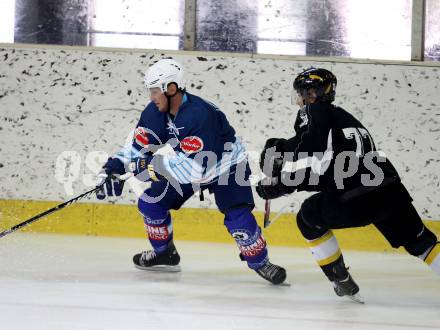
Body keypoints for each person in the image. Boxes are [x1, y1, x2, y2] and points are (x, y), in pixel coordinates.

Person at [96, 58, 287, 285]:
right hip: (188, 163)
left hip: (226, 166)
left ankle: (260, 262)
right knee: (150, 204)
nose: (152, 97)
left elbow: (195, 170)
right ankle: (165, 253)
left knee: (238, 219)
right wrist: (112, 168)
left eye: (156, 91)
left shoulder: (199, 115)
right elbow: (137, 146)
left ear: (172, 88)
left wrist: (145, 169)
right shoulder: (155, 111)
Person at [256, 67, 439, 300]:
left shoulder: (313, 111)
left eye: (302, 93)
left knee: (308, 217)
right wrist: (282, 148)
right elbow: (334, 166)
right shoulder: (345, 119)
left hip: (358, 197)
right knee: (422, 243)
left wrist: (281, 182)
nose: (300, 101)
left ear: (312, 95)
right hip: (390, 190)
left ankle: (340, 279)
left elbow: (317, 157)